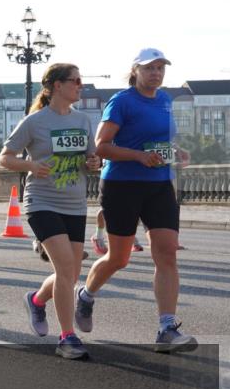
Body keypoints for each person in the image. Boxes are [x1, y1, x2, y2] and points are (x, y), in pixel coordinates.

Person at [77, 48, 196, 353]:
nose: (156, 73)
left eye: (160, 68)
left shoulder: (166, 101)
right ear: (136, 71)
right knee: (119, 258)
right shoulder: (122, 101)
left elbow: (162, 141)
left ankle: (166, 328)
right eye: (149, 68)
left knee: (167, 253)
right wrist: (138, 156)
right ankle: (86, 296)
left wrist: (176, 151)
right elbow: (102, 146)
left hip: (158, 186)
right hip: (122, 185)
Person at [0, 63, 100, 360]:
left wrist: (94, 164)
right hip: (41, 201)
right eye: (75, 81)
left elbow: (90, 159)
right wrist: (30, 165)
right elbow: (6, 156)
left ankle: (36, 299)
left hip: (75, 203)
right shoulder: (35, 122)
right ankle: (67, 337)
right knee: (66, 268)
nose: (80, 85)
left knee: (69, 272)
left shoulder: (82, 120)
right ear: (57, 85)